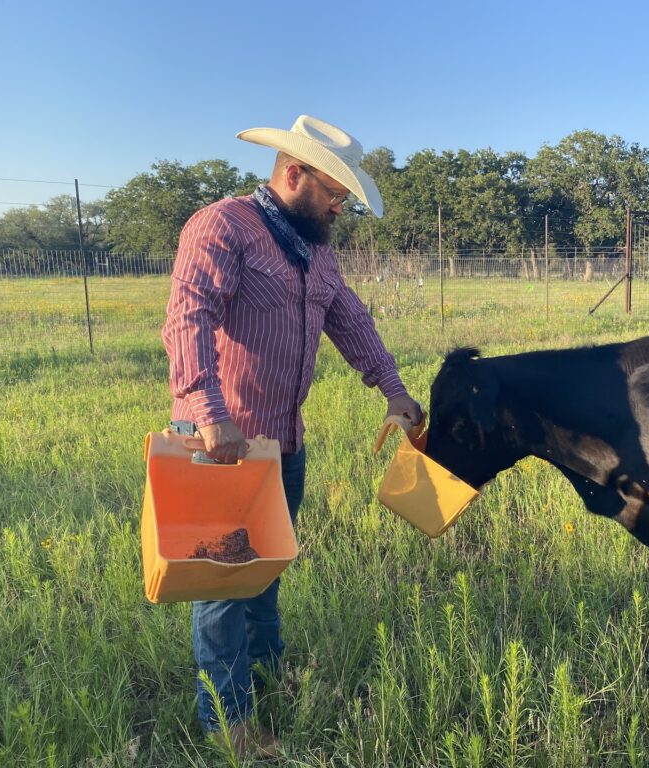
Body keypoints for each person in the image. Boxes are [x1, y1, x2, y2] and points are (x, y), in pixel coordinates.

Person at [162, 115, 423, 758]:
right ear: (294, 173)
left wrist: (393, 389)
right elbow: (188, 315)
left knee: (266, 570)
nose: (341, 206)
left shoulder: (319, 253)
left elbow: (351, 320)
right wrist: (204, 408)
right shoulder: (223, 227)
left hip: (283, 446)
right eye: (335, 192)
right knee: (223, 586)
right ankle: (228, 723)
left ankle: (264, 676)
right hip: (220, 443)